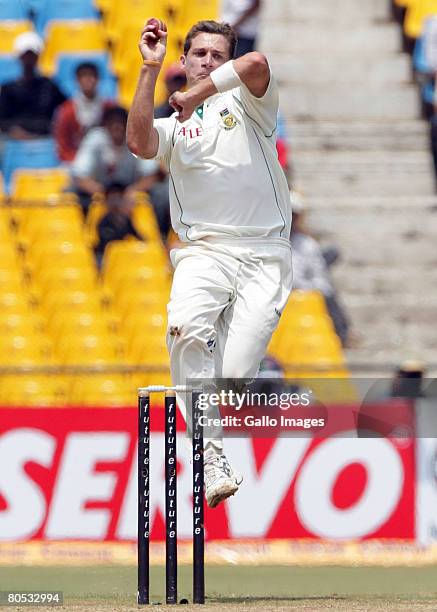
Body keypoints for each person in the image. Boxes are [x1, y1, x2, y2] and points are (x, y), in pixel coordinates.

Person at [127, 18, 292, 507]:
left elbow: (257, 63)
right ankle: (212, 454)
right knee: (183, 328)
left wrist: (198, 95)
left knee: (233, 379)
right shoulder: (174, 124)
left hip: (265, 253)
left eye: (217, 55)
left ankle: (212, 423)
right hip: (204, 250)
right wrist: (148, 70)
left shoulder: (250, 103)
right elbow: (138, 143)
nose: (207, 62)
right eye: (198, 54)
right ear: (184, 59)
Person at [71, 105, 160, 213]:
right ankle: (83, 228)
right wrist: (106, 194)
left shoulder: (137, 139)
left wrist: (134, 190)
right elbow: (78, 176)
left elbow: (152, 175)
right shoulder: (95, 138)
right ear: (105, 125)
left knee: (160, 193)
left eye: (120, 122)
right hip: (99, 191)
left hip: (130, 191)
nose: (116, 126)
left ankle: (161, 228)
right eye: (112, 122)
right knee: (71, 192)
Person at [290, 191, 350, 347]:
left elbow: (319, 279)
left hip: (302, 293)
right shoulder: (269, 240)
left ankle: (342, 334)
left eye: (294, 215)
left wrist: (305, 288)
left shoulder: (307, 244)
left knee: (327, 294)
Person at [0, 32, 65, 139]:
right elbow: (2, 120)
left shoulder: (49, 86)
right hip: (14, 140)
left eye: (32, 55)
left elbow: (66, 107)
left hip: (45, 138)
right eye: (25, 55)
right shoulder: (8, 89)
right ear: (19, 57)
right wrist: (15, 132)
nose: (29, 59)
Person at [54, 62, 114, 162]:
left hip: (104, 162)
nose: (88, 79)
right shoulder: (66, 110)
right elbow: (62, 144)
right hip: (75, 161)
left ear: (98, 79)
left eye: (92, 75)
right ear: (77, 80)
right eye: (84, 76)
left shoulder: (109, 108)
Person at [94, 182, 144, 267]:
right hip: (105, 258)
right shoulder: (103, 221)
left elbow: (139, 238)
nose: (115, 202)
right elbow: (104, 243)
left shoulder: (127, 219)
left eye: (118, 198)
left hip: (124, 257)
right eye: (112, 198)